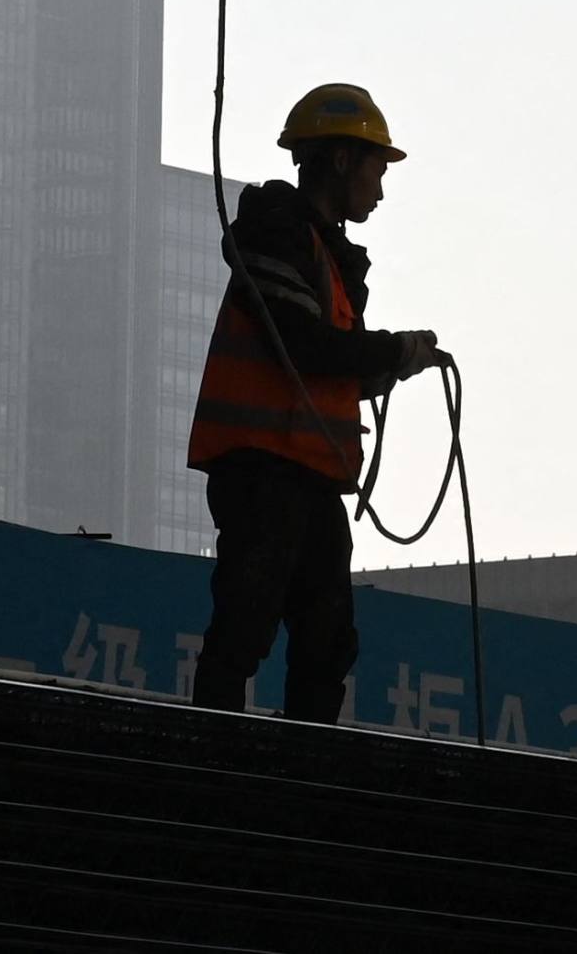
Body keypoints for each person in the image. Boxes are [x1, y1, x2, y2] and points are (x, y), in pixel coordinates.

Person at [184, 82, 443, 720]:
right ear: (340, 161)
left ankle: (309, 778)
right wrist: (392, 353)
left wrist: (390, 366)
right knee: (247, 622)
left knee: (328, 641)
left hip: (308, 474)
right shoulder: (275, 234)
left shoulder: (332, 259)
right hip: (262, 469)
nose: (380, 189)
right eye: (376, 169)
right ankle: (204, 767)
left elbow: (332, 366)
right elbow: (303, 344)